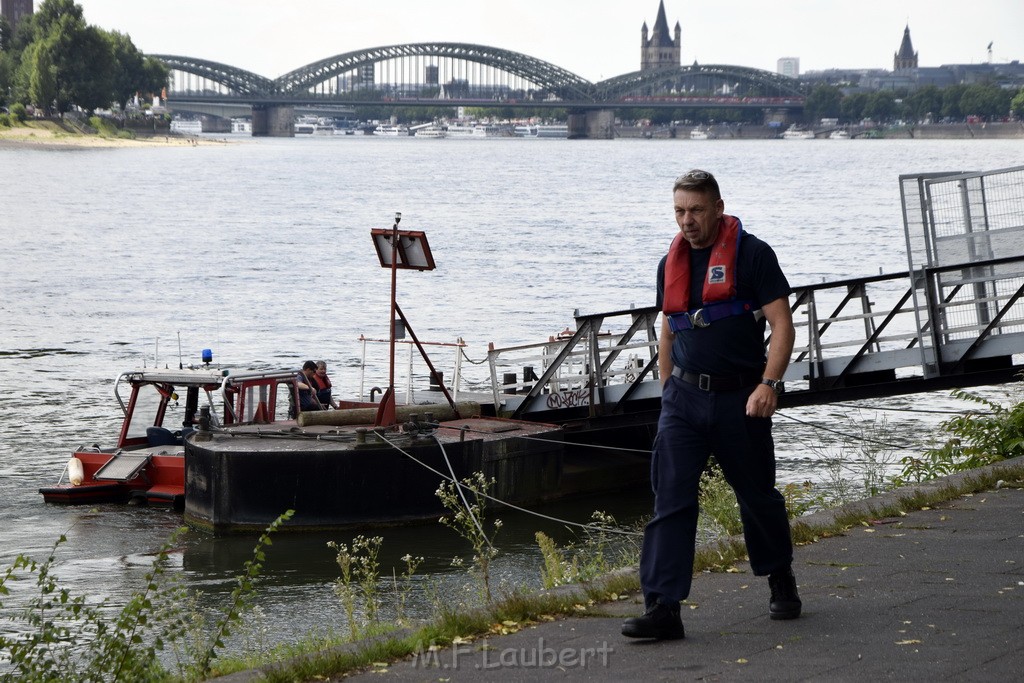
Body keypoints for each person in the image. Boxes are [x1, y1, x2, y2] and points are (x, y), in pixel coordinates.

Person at [622, 170, 800, 641]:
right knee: (671, 500)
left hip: (740, 397)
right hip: (683, 398)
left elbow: (782, 324)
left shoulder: (754, 254)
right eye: (679, 211)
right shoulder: (670, 262)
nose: (687, 221)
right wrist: (667, 392)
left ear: (718, 207)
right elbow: (669, 326)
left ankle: (779, 576)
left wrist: (770, 383)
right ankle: (663, 608)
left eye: (696, 210)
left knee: (757, 496)